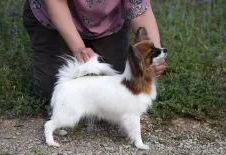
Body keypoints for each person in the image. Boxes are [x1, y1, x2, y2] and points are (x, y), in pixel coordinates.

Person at [23, 0, 166, 101]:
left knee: (120, 87)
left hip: (107, 23)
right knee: (52, 90)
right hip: (53, 21)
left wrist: (155, 54)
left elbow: (140, 10)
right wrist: (78, 48)